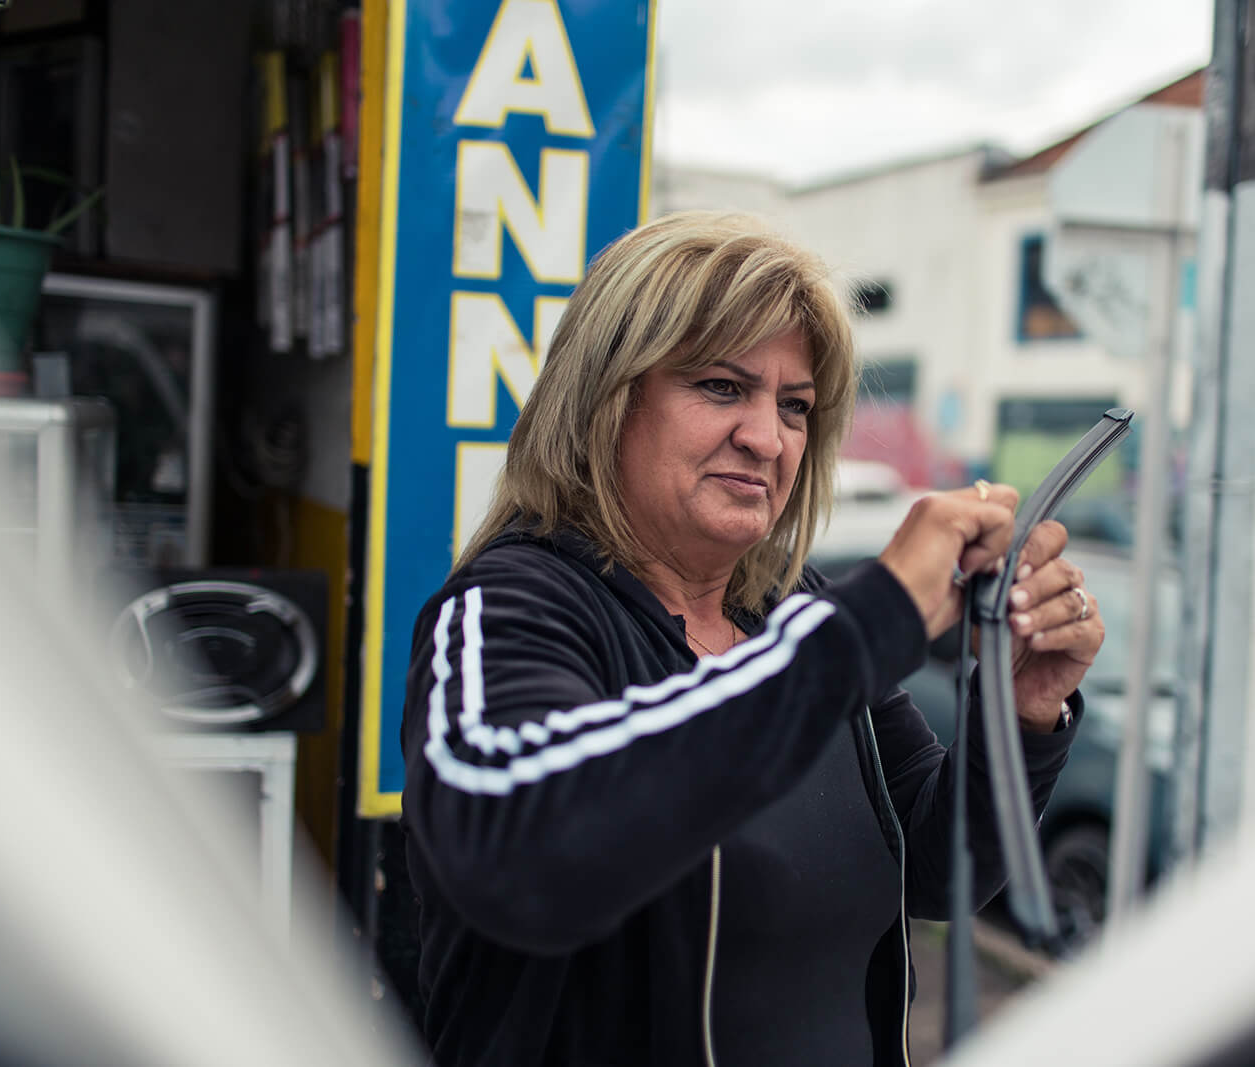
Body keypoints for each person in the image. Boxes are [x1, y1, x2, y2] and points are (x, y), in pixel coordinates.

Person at [399, 211, 1105, 1067]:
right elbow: (511, 844)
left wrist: (1020, 714)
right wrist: (874, 618)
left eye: (796, 406)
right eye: (721, 387)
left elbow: (933, 859)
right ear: (606, 397)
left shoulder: (788, 613)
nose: (767, 438)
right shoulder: (512, 605)